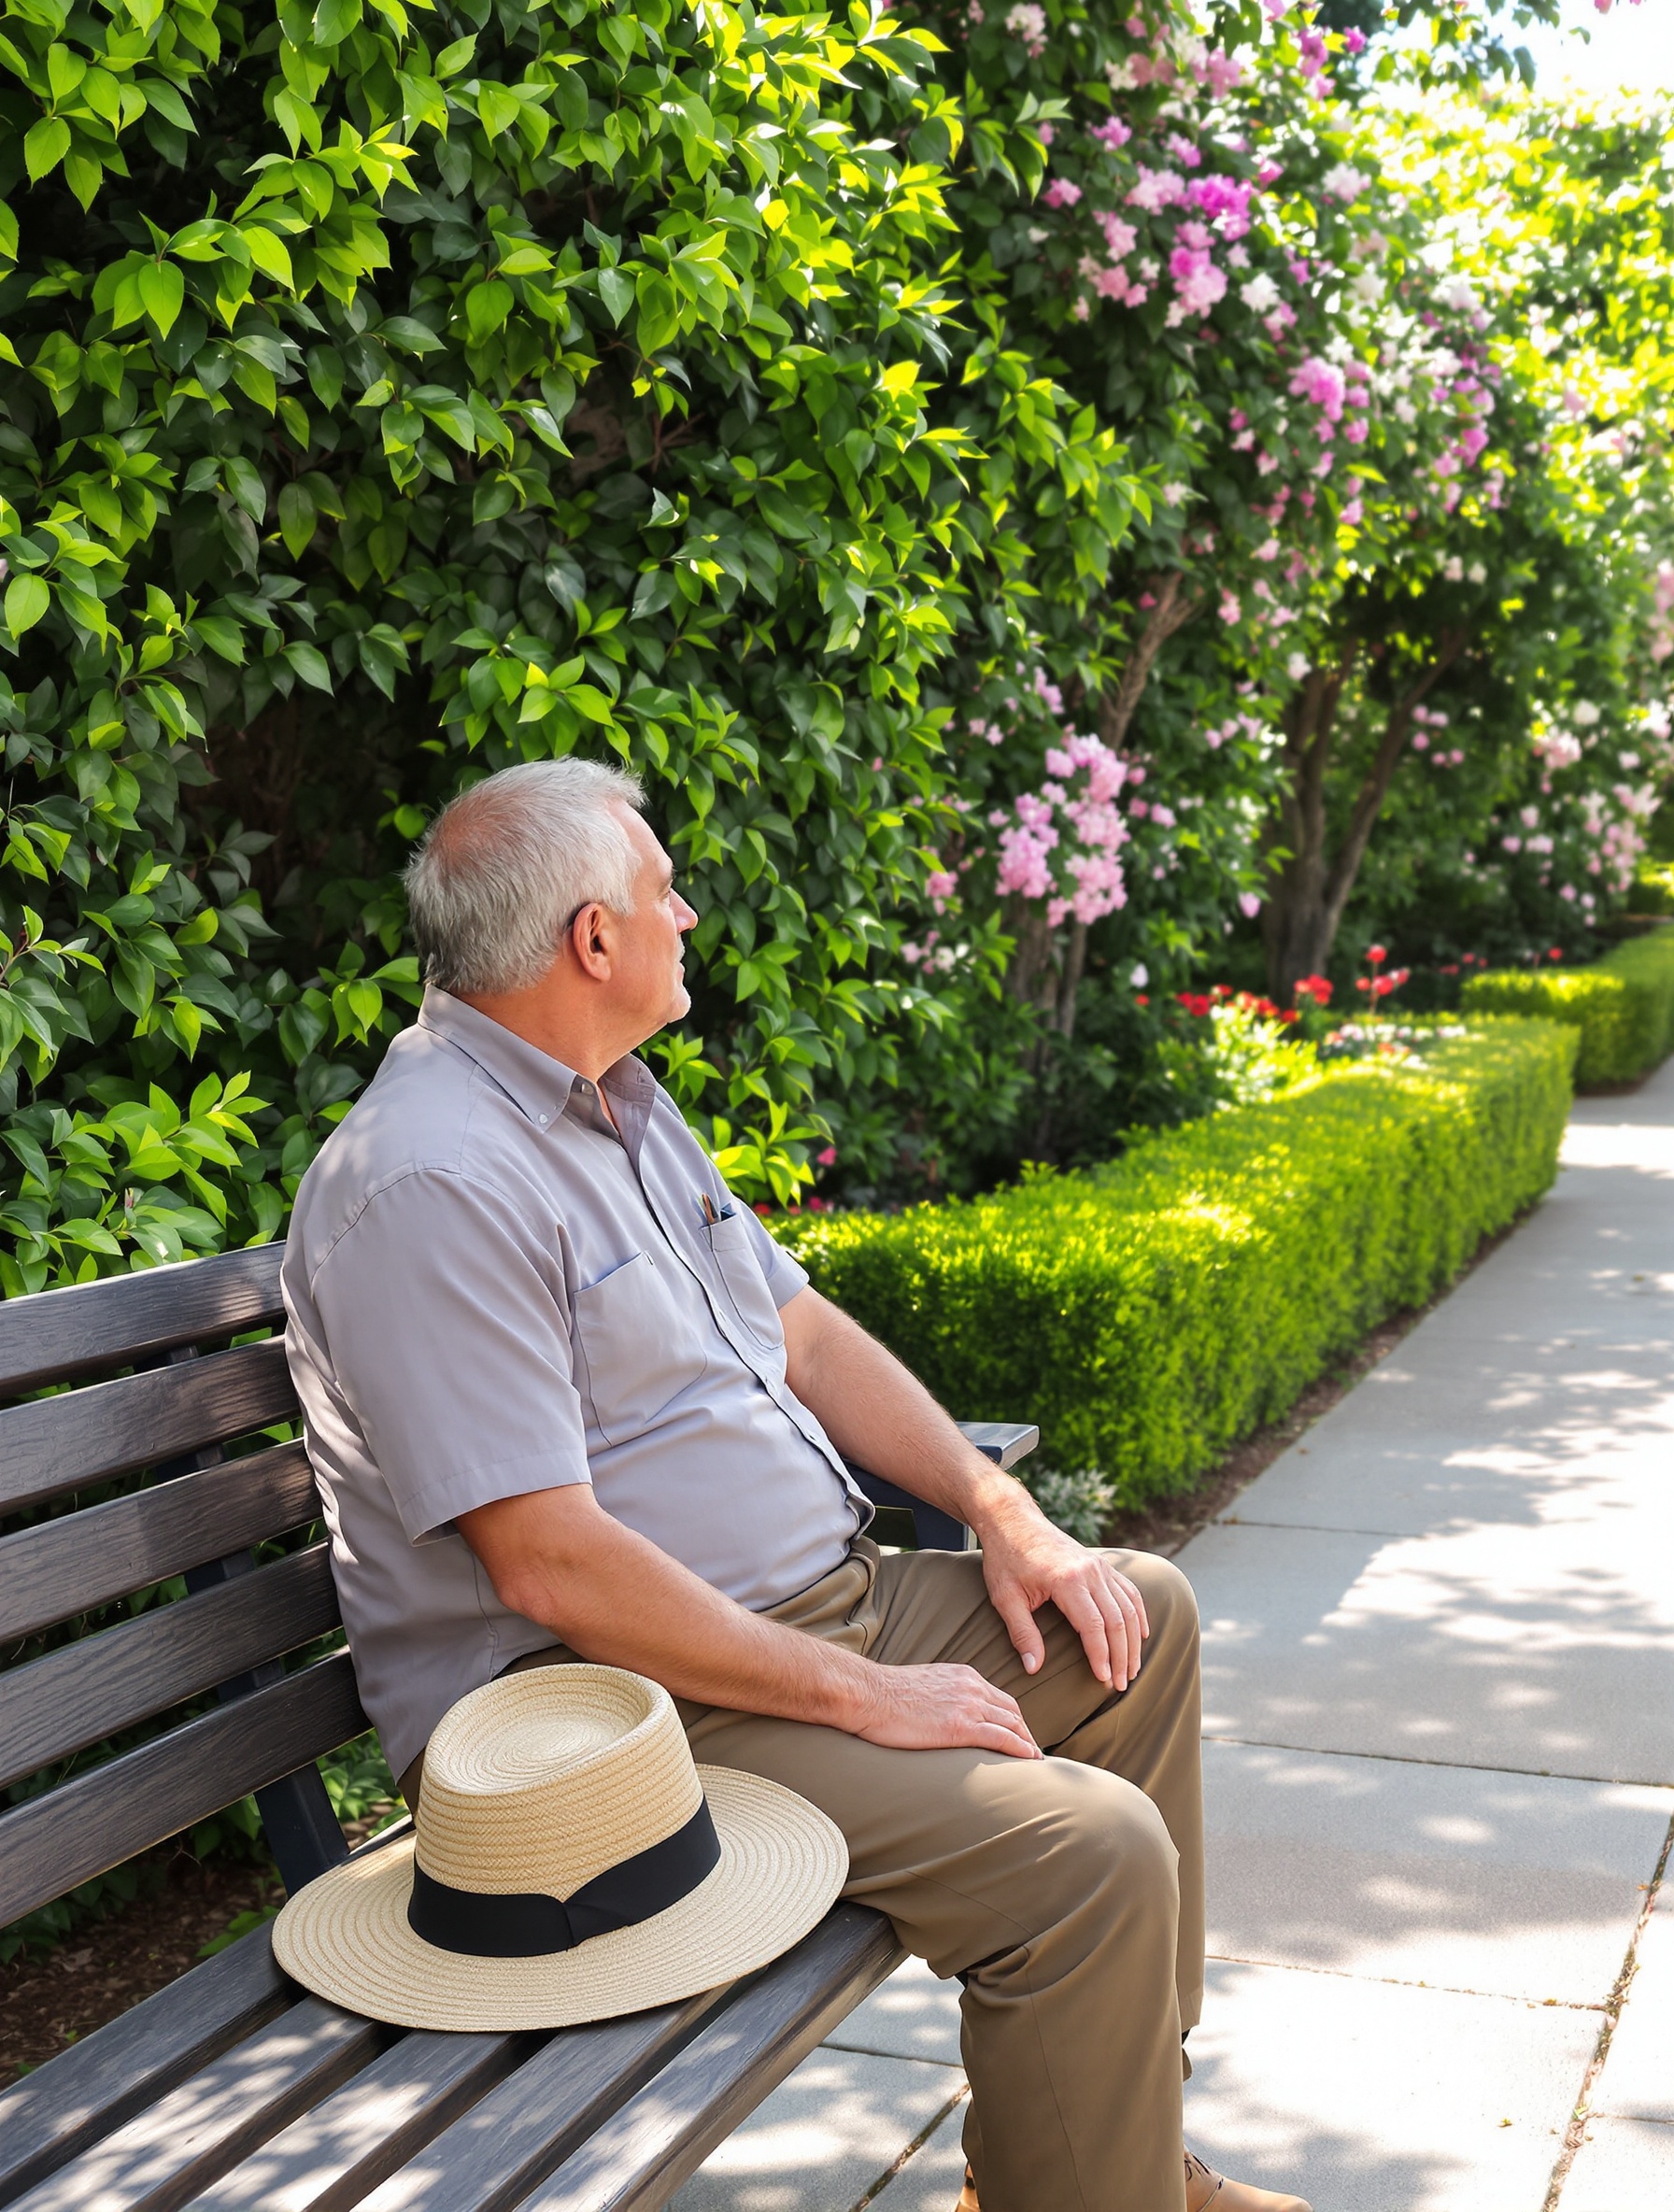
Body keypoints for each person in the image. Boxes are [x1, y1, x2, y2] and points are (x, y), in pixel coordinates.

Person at [282, 759, 1311, 2212]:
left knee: (1131, 1618)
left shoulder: (611, 1110)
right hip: (615, 1724)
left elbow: (804, 1333)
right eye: (662, 890)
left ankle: (1112, 2161)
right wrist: (864, 1695)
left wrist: (1003, 1510)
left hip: (807, 1618)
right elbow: (549, 1568)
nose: (687, 913)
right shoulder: (433, 1181)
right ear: (592, 939)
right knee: (1091, 1853)